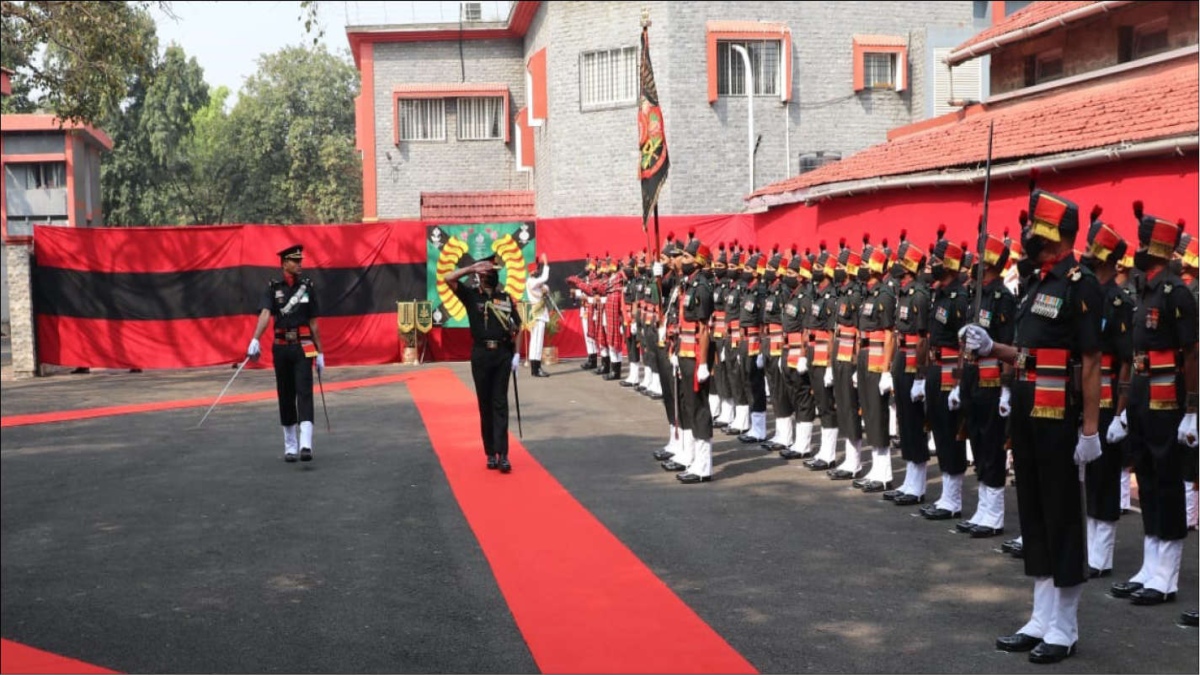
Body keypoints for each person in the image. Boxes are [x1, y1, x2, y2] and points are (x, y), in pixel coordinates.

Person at [962, 184, 1103, 665]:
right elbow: (1027, 354)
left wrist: (1090, 430)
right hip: (1026, 410)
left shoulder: (1081, 283)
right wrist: (991, 347)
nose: (1029, 241)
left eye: (1038, 233)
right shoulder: (1038, 283)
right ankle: (1041, 617)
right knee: (1036, 516)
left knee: (1062, 516)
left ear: (1058, 236)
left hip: (1059, 414)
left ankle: (1066, 626)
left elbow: (1088, 361)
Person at [1108, 203, 1198, 606]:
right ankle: (1149, 565)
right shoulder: (1144, 289)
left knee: (1167, 480)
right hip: (1144, 392)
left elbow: (1192, 353)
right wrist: (1125, 406)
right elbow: (1133, 352)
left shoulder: (1176, 292)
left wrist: (1192, 409)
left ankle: (1168, 576)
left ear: (1159, 249)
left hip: (1167, 395)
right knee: (1145, 475)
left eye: (1145, 243)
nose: (1139, 249)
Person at [443, 253, 523, 473]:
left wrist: (517, 354)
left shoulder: (505, 298)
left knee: (500, 404)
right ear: (481, 274)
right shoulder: (470, 296)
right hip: (481, 355)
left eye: (494, 272)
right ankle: (490, 453)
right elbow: (447, 279)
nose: (491, 275)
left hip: (502, 356)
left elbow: (518, 326)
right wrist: (470, 269)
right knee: (485, 405)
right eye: (488, 272)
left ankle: (503, 454)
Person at [246, 244, 325, 463]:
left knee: (305, 392)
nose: (300, 264)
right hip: (281, 346)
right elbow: (264, 314)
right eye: (295, 261)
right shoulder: (273, 288)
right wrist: (255, 338)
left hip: (304, 346)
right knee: (286, 394)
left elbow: (313, 323)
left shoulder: (307, 288)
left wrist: (320, 352)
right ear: (284, 263)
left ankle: (306, 444)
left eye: (300, 260)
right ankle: (290, 446)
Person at [525, 253, 551, 378]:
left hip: (537, 313)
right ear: (532, 272)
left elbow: (545, 287)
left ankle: (535, 368)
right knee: (537, 342)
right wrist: (546, 263)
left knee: (535, 342)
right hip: (538, 314)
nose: (537, 271)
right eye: (536, 270)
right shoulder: (531, 282)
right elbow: (544, 279)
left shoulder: (535, 282)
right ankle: (536, 368)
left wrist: (545, 288)